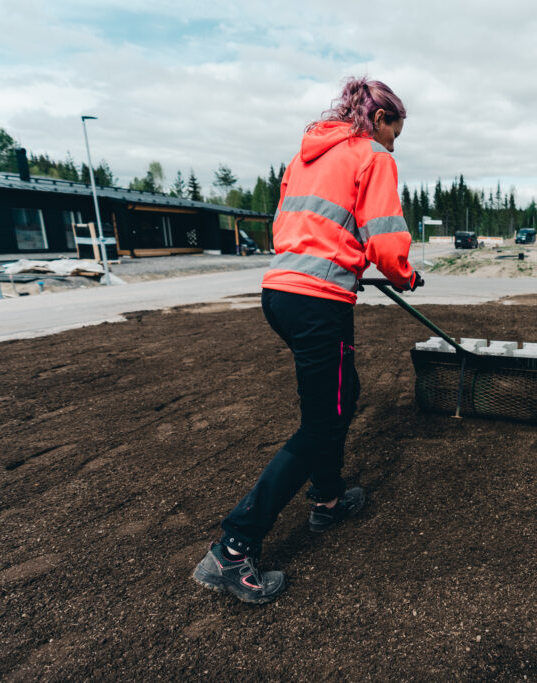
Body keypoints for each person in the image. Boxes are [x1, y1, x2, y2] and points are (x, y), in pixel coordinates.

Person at [193, 77, 423, 604]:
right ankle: (233, 548)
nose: (395, 144)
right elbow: (386, 239)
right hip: (319, 303)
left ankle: (327, 499)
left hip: (281, 295)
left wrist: (339, 263)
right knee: (322, 422)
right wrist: (404, 273)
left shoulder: (307, 157)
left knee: (339, 401)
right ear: (380, 120)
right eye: (396, 131)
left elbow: (294, 229)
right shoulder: (372, 156)